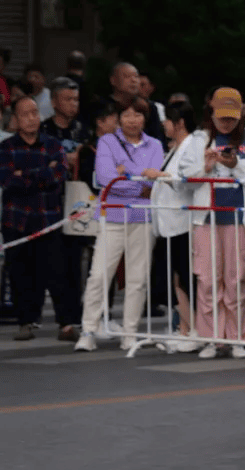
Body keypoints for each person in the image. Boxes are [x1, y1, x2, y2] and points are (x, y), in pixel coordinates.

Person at [179, 88, 245, 358]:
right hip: (206, 216)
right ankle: (211, 338)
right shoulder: (198, 139)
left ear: (240, 114)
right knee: (207, 278)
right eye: (221, 116)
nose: (226, 122)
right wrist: (205, 168)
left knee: (237, 278)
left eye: (231, 117)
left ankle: (238, 338)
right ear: (211, 112)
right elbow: (182, 176)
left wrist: (233, 165)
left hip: (240, 216)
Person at [74, 98, 165, 352]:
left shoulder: (155, 144)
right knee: (99, 275)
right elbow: (106, 178)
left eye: (138, 115)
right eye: (126, 114)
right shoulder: (107, 141)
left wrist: (124, 173)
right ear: (118, 118)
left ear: (145, 119)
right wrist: (138, 178)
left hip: (143, 217)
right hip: (112, 216)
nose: (132, 120)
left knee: (138, 279)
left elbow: (153, 183)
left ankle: (130, 333)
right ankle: (89, 330)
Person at [0, 97, 71, 341]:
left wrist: (25, 175)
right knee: (20, 274)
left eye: (34, 113)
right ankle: (25, 321)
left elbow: (59, 174)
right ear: (16, 119)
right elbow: (8, 180)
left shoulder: (52, 144)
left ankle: (66, 324)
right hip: (16, 221)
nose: (31, 118)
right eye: (25, 114)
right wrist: (42, 174)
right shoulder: (6, 147)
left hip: (48, 219)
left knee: (56, 273)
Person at [42, 76, 91, 341]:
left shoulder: (82, 129)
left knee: (76, 263)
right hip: (51, 204)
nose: (73, 104)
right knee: (56, 263)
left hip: (78, 203)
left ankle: (76, 316)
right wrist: (65, 159)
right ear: (53, 102)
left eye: (76, 99)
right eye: (67, 99)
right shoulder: (44, 131)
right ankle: (64, 320)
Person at [151, 101, 199, 352]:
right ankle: (185, 328)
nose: (164, 124)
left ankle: (194, 329)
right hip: (169, 223)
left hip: (182, 223)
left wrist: (160, 177)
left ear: (179, 122)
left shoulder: (191, 145)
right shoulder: (176, 147)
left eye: (168, 120)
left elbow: (188, 180)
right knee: (175, 278)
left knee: (183, 277)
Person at [97, 63, 165, 142]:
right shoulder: (101, 106)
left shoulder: (148, 107)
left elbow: (157, 138)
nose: (133, 80)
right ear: (113, 80)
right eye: (127, 76)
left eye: (136, 77)